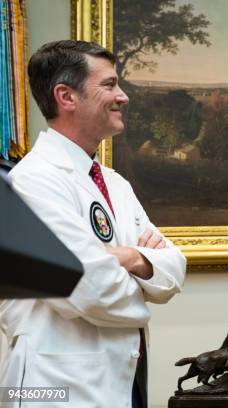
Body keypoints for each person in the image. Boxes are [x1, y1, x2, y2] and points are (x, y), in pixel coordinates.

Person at [0, 40, 187, 407]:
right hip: (55, 390)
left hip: (123, 382)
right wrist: (139, 268)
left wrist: (126, 257)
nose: (123, 96)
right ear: (66, 96)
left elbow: (174, 268)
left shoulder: (114, 183)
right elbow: (88, 286)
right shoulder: (32, 182)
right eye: (109, 84)